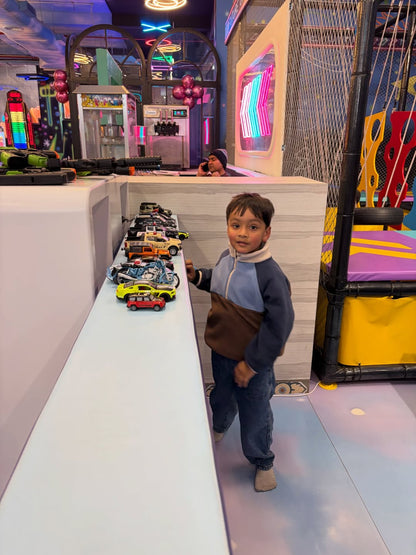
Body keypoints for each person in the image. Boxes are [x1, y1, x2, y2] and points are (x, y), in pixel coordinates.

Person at [185, 192, 294, 492]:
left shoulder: (270, 275)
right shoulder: (225, 257)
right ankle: (219, 425)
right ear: (228, 227)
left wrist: (253, 363)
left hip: (253, 364)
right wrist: (197, 277)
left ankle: (262, 461)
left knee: (255, 412)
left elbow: (279, 325)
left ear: (266, 232)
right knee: (221, 396)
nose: (243, 233)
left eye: (253, 226)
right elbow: (218, 283)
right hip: (221, 352)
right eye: (236, 225)